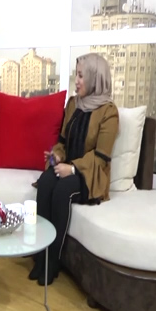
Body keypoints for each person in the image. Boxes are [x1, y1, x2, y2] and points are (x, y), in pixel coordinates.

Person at [30, 53, 120, 286]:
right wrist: (58, 155)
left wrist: (72, 169)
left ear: (94, 78)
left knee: (62, 191)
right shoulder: (73, 104)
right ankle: (40, 257)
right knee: (46, 183)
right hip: (66, 165)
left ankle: (53, 262)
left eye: (81, 76)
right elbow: (62, 141)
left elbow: (101, 157)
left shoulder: (109, 112)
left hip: (90, 174)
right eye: (76, 75)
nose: (76, 81)